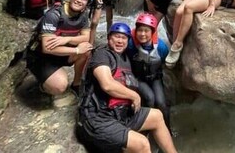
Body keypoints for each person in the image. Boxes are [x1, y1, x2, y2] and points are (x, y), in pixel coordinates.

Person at [76, 22, 177, 153]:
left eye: (124, 38)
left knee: (157, 115)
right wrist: (134, 96)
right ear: (109, 38)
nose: (120, 41)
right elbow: (107, 84)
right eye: (116, 37)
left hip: (121, 115)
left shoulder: (125, 59)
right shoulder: (102, 55)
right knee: (142, 144)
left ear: (128, 41)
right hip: (98, 118)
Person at [25, 0, 94, 95]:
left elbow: (86, 37)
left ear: (87, 4)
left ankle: (76, 85)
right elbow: (47, 48)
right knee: (59, 86)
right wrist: (76, 50)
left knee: (86, 49)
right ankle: (43, 86)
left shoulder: (83, 15)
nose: (79, 0)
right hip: (42, 57)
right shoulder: (53, 15)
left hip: (61, 53)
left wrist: (66, 39)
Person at [126, 13, 171, 130]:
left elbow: (165, 63)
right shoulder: (131, 45)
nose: (142, 34)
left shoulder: (161, 47)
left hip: (155, 77)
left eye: (146, 31)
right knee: (150, 98)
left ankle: (167, 128)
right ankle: (148, 126)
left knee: (161, 102)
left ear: (153, 32)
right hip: (138, 78)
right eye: (140, 30)